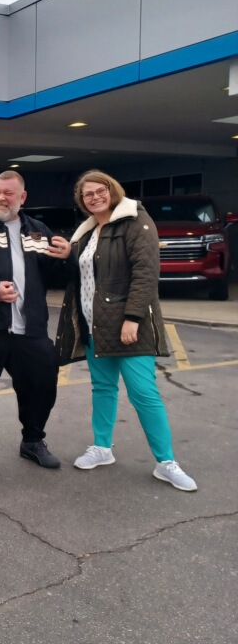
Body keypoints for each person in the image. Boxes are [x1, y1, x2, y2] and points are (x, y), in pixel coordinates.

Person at [55, 171, 197, 491]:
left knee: (144, 394)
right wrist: (68, 254)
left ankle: (166, 462)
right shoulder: (88, 232)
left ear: (112, 190)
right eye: (87, 194)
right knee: (102, 389)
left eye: (99, 191)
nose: (94, 197)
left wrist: (132, 317)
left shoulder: (136, 221)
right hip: (94, 326)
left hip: (128, 327)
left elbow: (146, 272)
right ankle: (102, 448)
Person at [0, 170, 72, 472]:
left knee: (42, 384)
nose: (1, 198)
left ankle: (32, 441)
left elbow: (54, 277)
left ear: (23, 197)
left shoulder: (37, 230)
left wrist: (66, 257)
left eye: (8, 193)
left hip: (31, 328)